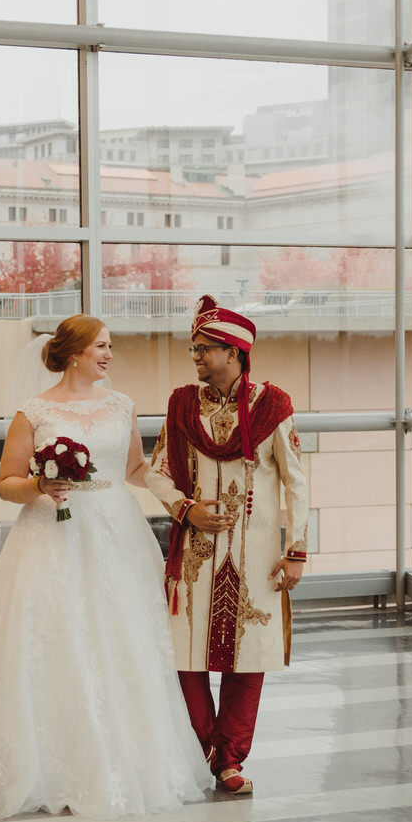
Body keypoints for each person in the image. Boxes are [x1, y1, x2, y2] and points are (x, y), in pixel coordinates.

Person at [0, 314, 213, 818]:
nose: (109, 355)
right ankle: (44, 761)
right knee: (53, 638)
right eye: (102, 346)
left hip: (115, 531)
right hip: (51, 533)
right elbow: (7, 481)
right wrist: (41, 486)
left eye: (110, 346)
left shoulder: (121, 405)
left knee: (120, 637)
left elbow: (135, 469)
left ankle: (126, 759)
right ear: (76, 352)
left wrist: (181, 499)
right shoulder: (34, 412)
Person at [145, 295, 309, 796]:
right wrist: (184, 508)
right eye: (193, 349)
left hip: (255, 553)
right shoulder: (180, 406)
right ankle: (210, 754)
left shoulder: (273, 406)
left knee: (248, 657)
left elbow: (295, 481)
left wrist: (295, 549)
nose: (195, 358)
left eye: (204, 349)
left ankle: (231, 759)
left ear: (234, 351)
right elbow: (157, 473)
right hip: (194, 553)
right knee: (185, 654)